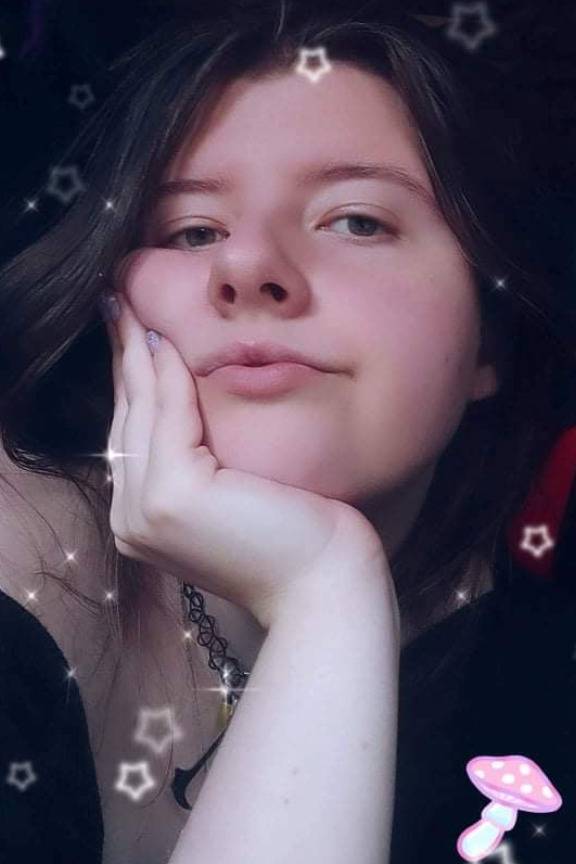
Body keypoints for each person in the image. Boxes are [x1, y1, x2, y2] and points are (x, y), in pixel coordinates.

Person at [0, 2, 574, 862]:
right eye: (194, 230)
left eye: (358, 220)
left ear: (489, 339)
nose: (246, 266)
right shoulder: (19, 566)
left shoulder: (541, 689)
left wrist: (322, 590)